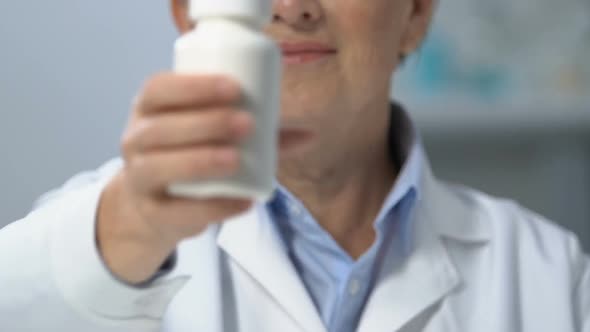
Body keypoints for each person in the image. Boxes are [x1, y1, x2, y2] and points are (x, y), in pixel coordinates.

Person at [0, 0, 588, 331]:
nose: (290, 7)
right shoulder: (97, 238)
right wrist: (124, 232)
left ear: (416, 12)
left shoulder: (551, 276)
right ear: (187, 12)